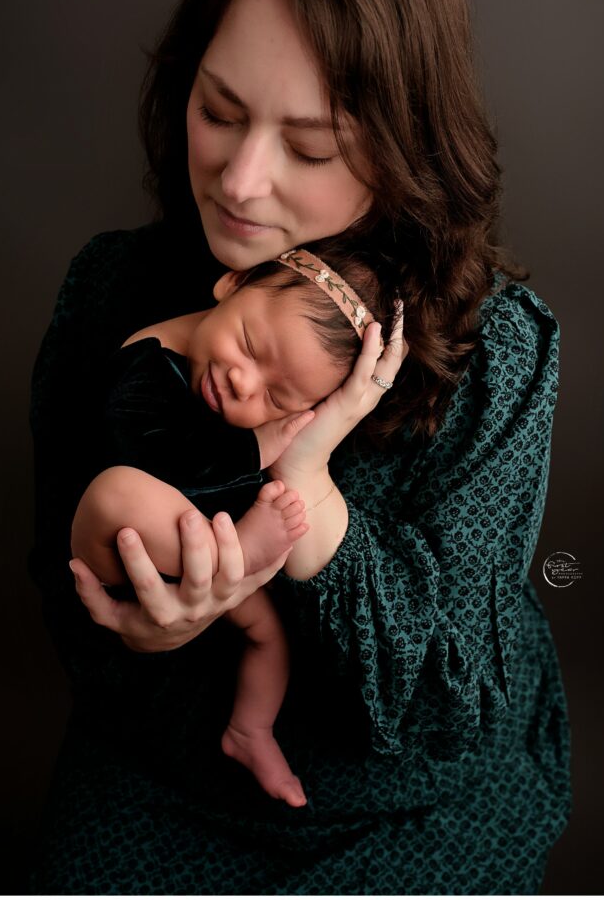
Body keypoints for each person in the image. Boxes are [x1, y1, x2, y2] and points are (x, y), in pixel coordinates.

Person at [29, 0, 571, 894]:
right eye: (219, 111)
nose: (238, 181)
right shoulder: (114, 288)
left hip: (411, 797)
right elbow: (57, 588)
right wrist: (135, 624)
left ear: (405, 146)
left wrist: (315, 503)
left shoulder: (494, 346)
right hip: (167, 768)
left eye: (311, 147)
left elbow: (447, 696)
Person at [71, 244, 396, 809]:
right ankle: (242, 552)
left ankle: (250, 730)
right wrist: (257, 445)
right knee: (115, 493)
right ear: (233, 283)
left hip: (213, 568)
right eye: (249, 344)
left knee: (267, 636)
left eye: (276, 397)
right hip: (119, 549)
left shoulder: (243, 388)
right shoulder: (150, 353)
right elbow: (144, 443)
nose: (245, 385)